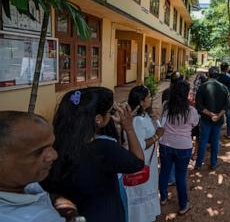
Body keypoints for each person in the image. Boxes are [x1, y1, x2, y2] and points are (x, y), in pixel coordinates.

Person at [43, 87, 145, 222]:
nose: (111, 115)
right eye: (110, 112)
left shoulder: (53, 146)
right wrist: (129, 128)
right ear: (98, 119)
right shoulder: (103, 149)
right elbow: (138, 162)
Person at [0, 111, 65, 222]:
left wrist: (55, 199)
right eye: (39, 151)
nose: (54, 155)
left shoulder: (18, 181)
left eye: (51, 145)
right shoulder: (38, 218)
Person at [158, 80, 199, 215]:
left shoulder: (166, 106)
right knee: (180, 176)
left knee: (164, 171)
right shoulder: (191, 111)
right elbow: (194, 124)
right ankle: (183, 205)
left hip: (165, 144)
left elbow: (161, 123)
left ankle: (163, 197)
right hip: (183, 146)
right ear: (186, 94)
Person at [125, 86, 163, 222]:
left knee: (149, 188)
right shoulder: (136, 121)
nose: (151, 99)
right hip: (142, 164)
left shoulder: (144, 115)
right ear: (141, 101)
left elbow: (158, 129)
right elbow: (139, 146)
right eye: (148, 97)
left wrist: (155, 119)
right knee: (141, 190)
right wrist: (156, 137)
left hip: (149, 163)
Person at [195, 67, 230, 170]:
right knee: (215, 141)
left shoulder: (202, 87)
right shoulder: (224, 88)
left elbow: (199, 105)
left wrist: (210, 114)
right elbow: (227, 105)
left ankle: (198, 164)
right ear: (217, 75)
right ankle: (213, 163)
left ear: (208, 75)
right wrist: (218, 115)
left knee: (203, 141)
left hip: (206, 119)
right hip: (218, 120)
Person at [217, 62, 230, 139]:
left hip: (216, 99)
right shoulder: (229, 78)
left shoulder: (216, 77)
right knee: (229, 116)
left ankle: (216, 135)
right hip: (226, 100)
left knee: (217, 115)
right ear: (227, 68)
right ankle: (229, 134)